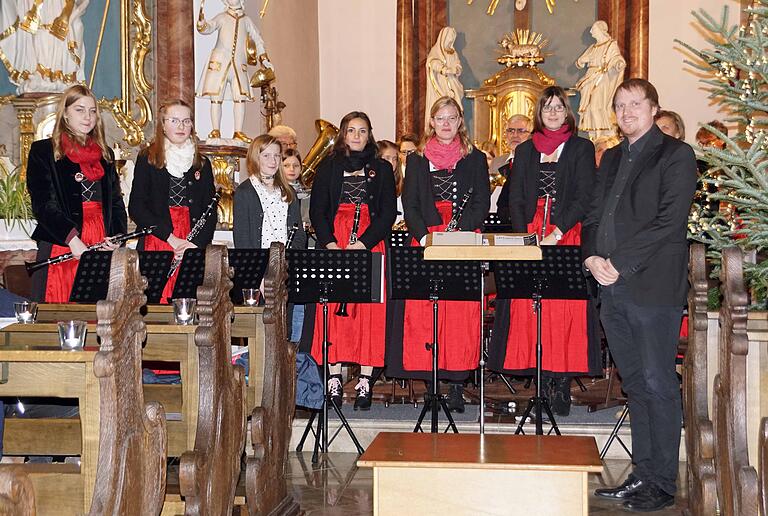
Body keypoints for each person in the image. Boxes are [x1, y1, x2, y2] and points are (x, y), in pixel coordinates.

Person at [584, 78, 697, 511]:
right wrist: (593, 257)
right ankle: (642, 472)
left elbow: (669, 222)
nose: (626, 112)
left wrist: (619, 263)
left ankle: (662, 483)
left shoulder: (676, 154)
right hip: (610, 286)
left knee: (657, 383)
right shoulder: (612, 157)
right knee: (634, 383)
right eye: (619, 106)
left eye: (635, 104)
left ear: (653, 108)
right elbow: (595, 214)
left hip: (650, 286)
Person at [488, 86, 598, 416]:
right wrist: (526, 236)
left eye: (558, 107)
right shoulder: (525, 151)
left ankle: (561, 382)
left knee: (563, 312)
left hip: (567, 233)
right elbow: (516, 199)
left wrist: (558, 231)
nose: (552, 112)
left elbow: (585, 196)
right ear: (540, 112)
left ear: (568, 112)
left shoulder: (580, 148)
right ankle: (541, 380)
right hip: (531, 234)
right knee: (531, 310)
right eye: (547, 107)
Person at [388, 96, 491, 413]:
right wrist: (424, 237)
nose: (446, 124)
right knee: (427, 314)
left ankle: (457, 385)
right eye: (440, 118)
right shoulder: (417, 160)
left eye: (452, 118)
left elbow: (481, 204)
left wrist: (458, 235)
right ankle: (432, 385)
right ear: (431, 122)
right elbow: (412, 204)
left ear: (460, 122)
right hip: (428, 241)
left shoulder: (474, 159)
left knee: (460, 316)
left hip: (462, 241)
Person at [300, 111, 397, 411]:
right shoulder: (328, 167)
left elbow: (387, 214)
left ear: (370, 135)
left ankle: (366, 378)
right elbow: (318, 211)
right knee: (333, 312)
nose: (356, 136)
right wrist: (330, 243)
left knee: (369, 313)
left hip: (369, 244)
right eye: (351, 130)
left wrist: (363, 244)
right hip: (334, 244)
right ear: (343, 134)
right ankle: (334, 376)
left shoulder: (380, 168)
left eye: (362, 131)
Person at [26, 84, 127, 303]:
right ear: (65, 114)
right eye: (80, 109)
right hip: (62, 240)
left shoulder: (105, 154)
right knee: (61, 310)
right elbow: (43, 205)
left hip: (101, 240)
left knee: (100, 313)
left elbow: (116, 203)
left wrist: (117, 236)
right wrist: (72, 240)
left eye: (92, 111)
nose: (88, 116)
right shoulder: (43, 151)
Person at [129, 99, 217, 303]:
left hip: (191, 240)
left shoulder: (202, 163)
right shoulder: (147, 158)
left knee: (188, 301)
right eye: (175, 120)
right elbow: (136, 206)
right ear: (163, 125)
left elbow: (210, 210)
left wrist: (194, 244)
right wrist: (170, 238)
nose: (181, 126)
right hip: (159, 238)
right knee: (154, 301)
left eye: (186, 121)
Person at [196, 0, 272, 142]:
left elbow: (258, 39)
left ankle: (238, 131)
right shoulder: (222, 17)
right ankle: (216, 129)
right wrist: (202, 24)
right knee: (216, 97)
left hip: (238, 65)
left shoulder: (246, 20)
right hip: (221, 62)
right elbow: (209, 27)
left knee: (240, 97)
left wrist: (264, 59)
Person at [575, 20, 626, 140]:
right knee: (589, 108)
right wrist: (583, 60)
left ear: (601, 31)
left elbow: (617, 58)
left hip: (603, 78)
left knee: (596, 106)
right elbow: (579, 62)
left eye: (594, 30)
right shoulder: (593, 47)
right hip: (590, 78)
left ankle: (601, 136)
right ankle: (594, 136)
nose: (592, 33)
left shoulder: (611, 45)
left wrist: (618, 63)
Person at [489, 114, 532, 219]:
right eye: (510, 131)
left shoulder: (535, 163)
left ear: (531, 135)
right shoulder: (496, 163)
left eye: (521, 131)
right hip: (498, 220)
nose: (515, 135)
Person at [424, 27, 464, 130]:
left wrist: (456, 70)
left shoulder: (453, 53)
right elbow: (432, 63)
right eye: (449, 36)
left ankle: (456, 124)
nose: (451, 38)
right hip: (441, 84)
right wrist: (443, 69)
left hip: (452, 83)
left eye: (452, 37)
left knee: (455, 106)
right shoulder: (436, 51)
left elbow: (458, 64)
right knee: (441, 106)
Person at [281, 148, 310, 224]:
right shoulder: (275, 192)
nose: (292, 169)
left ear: (301, 168)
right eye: (286, 165)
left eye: (296, 165)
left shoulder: (308, 194)